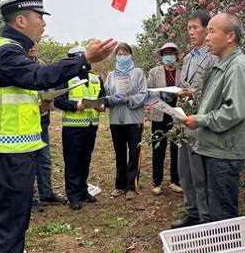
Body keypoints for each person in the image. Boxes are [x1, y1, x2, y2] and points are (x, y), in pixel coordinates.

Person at [0, 0, 116, 253]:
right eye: (40, 17)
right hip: (7, 153)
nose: (43, 23)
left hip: (18, 151)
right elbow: (38, 77)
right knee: (10, 227)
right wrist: (83, 59)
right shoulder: (6, 53)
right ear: (22, 20)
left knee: (18, 221)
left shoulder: (14, 51)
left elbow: (33, 84)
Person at [181, 12, 245, 222]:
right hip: (215, 148)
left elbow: (234, 111)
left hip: (224, 152)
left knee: (223, 216)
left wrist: (201, 120)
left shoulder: (237, 67)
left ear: (230, 36)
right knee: (215, 213)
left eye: (212, 31)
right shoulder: (221, 66)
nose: (206, 37)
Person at [172, 10, 219, 228]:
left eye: (195, 28)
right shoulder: (189, 57)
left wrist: (193, 93)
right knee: (184, 171)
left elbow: (213, 90)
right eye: (189, 28)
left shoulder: (214, 57)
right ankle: (190, 211)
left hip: (200, 122)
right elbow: (183, 85)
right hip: (183, 120)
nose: (191, 32)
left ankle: (204, 215)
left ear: (207, 29)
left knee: (200, 173)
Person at [54, 46, 105, 210]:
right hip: (73, 127)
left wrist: (102, 106)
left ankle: (83, 190)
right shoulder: (65, 78)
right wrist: (76, 105)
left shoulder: (96, 78)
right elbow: (58, 101)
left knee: (85, 159)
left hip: (91, 126)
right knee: (72, 162)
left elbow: (103, 98)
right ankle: (73, 195)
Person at [104, 43, 148, 197]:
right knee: (120, 153)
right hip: (116, 120)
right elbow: (106, 94)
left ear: (130, 55)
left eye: (125, 53)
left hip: (134, 119)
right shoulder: (111, 75)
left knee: (134, 152)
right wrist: (112, 100)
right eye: (119, 54)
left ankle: (131, 187)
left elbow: (143, 94)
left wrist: (129, 99)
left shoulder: (138, 73)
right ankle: (120, 185)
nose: (122, 57)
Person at [27, 43, 66, 213]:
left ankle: (46, 193)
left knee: (44, 158)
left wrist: (48, 102)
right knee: (29, 160)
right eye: (28, 45)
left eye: (34, 45)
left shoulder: (42, 66)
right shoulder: (19, 65)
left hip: (42, 119)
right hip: (26, 121)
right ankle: (30, 197)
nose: (32, 48)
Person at [147, 42, 182, 196]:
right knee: (158, 147)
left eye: (172, 53)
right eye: (166, 53)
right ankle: (157, 182)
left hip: (177, 114)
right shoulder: (154, 72)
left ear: (176, 56)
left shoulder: (182, 72)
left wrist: (178, 93)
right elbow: (149, 91)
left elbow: (187, 89)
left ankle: (176, 181)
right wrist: (161, 94)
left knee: (176, 148)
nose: (169, 56)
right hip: (159, 113)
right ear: (161, 56)